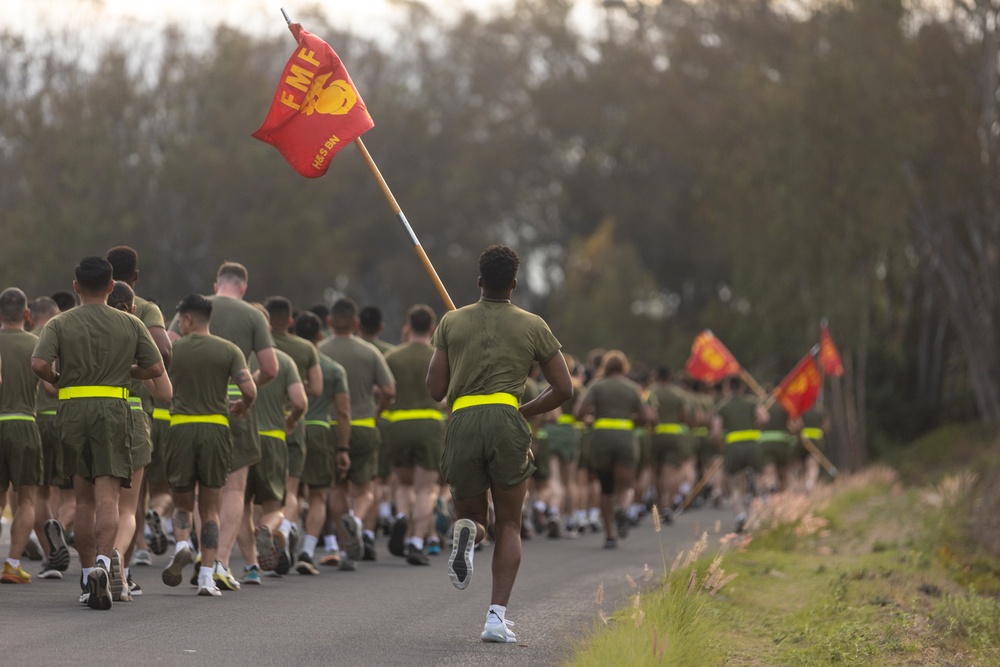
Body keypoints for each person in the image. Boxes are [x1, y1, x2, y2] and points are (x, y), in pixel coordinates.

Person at [426, 244, 572, 644]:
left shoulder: (452, 322)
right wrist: (523, 411)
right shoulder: (533, 324)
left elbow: (436, 389)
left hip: (464, 421)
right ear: (514, 283)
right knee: (509, 523)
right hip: (507, 419)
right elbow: (564, 388)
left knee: (474, 517)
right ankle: (495, 618)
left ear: (478, 281)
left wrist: (457, 355)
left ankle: (469, 530)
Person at [31, 257, 164, 610]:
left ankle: (87, 571)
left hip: (74, 409)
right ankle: (106, 565)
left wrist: (62, 380)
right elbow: (155, 366)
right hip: (114, 411)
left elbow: (39, 364)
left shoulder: (59, 323)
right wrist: (125, 370)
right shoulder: (131, 323)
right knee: (109, 496)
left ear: (76, 287)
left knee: (83, 499)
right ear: (110, 287)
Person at [168, 261, 277, 591]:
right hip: (229, 414)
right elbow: (269, 369)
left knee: (190, 497)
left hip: (184, 420)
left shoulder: (190, 309)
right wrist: (240, 396)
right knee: (230, 492)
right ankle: (219, 563)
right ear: (243, 288)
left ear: (217, 285)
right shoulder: (253, 316)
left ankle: (186, 545)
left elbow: (165, 350)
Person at [160, 294, 256, 597]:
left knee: (182, 504)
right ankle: (206, 577)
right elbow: (249, 388)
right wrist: (243, 405)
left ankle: (183, 544)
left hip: (181, 429)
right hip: (216, 428)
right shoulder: (229, 350)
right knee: (212, 507)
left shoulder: (173, 350)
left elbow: (157, 385)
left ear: (187, 319)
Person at [107, 281, 173, 601]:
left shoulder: (83, 324)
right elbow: (164, 391)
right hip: (133, 419)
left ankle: (94, 567)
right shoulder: (137, 328)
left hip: (92, 417)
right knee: (128, 509)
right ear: (134, 308)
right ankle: (118, 562)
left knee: (94, 502)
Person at [317, 298, 395, 569]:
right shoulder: (370, 352)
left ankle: (342, 544)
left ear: (329, 322)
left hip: (330, 426)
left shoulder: (319, 351)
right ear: (356, 323)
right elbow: (388, 390)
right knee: (366, 490)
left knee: (338, 488)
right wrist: (377, 413)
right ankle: (358, 522)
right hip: (363, 424)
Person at [383, 304, 445, 566]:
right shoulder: (440, 356)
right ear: (432, 329)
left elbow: (384, 391)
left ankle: (400, 517)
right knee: (425, 489)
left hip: (399, 424)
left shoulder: (392, 357)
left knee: (404, 485)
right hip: (429, 425)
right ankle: (417, 541)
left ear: (408, 326)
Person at [573, 350, 652, 549]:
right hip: (625, 439)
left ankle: (610, 535)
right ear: (624, 366)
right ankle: (623, 509)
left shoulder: (596, 386)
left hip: (601, 440)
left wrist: (592, 420)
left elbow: (579, 412)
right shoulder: (633, 388)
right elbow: (645, 417)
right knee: (626, 486)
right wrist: (630, 420)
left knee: (606, 488)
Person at [291, 311, 350, 573]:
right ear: (320, 336)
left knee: (288, 493)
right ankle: (307, 549)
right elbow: (344, 412)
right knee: (318, 496)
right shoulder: (333, 369)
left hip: (289, 428)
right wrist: (343, 448)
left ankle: (283, 534)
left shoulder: (285, 361)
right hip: (319, 431)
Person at [264, 297, 321, 554]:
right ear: (290, 321)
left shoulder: (260, 347)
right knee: (291, 490)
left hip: (263, 422)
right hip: (293, 424)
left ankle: (265, 535)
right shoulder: (305, 348)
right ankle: (284, 532)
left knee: (265, 495)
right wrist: (295, 386)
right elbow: (316, 389)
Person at [0, 288, 43, 584]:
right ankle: (12, 564)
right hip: (25, 423)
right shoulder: (37, 344)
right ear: (27, 315)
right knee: (26, 499)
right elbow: (53, 388)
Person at [27, 296, 71, 580]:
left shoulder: (23, 337)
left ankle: (49, 553)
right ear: (55, 315)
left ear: (31, 316)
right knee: (75, 492)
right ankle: (62, 530)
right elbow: (50, 388)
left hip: (34, 421)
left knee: (39, 493)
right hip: (63, 419)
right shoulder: (59, 335)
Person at [711, 375, 768, 533]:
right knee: (759, 479)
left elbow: (715, 433)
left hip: (733, 447)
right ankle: (758, 515)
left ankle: (740, 515)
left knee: (734, 484)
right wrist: (754, 427)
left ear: (727, 388)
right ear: (743, 387)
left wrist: (723, 445)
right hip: (752, 445)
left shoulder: (722, 406)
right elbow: (764, 418)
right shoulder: (752, 402)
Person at [646, 366, 695, 523]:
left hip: (655, 436)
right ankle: (668, 504)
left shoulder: (650, 393)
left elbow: (648, 414)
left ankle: (659, 504)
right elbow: (686, 415)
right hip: (675, 436)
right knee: (671, 472)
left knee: (656, 471)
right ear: (669, 376)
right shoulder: (679, 394)